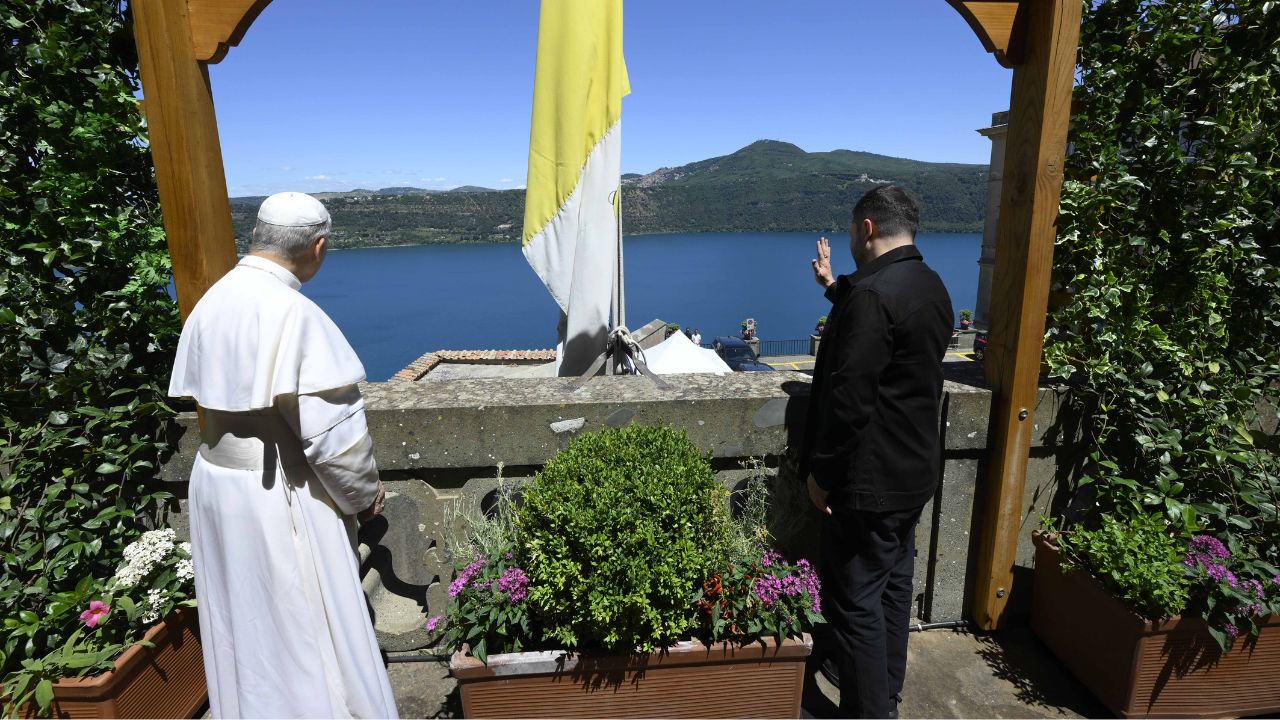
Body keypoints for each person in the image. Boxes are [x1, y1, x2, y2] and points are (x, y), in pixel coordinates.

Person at [169, 192, 399, 719]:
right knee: (305, 620)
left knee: (244, 619)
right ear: (317, 247)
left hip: (216, 482)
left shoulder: (214, 299)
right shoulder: (294, 314)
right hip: (279, 492)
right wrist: (364, 499)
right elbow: (335, 441)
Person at [801, 185, 953, 718]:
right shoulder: (929, 285)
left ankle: (870, 713)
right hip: (913, 472)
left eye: (850, 231)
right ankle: (886, 693)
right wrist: (832, 288)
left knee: (855, 601)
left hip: (868, 480)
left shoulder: (873, 295)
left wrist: (822, 475)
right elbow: (887, 335)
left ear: (866, 229)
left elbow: (851, 401)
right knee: (891, 590)